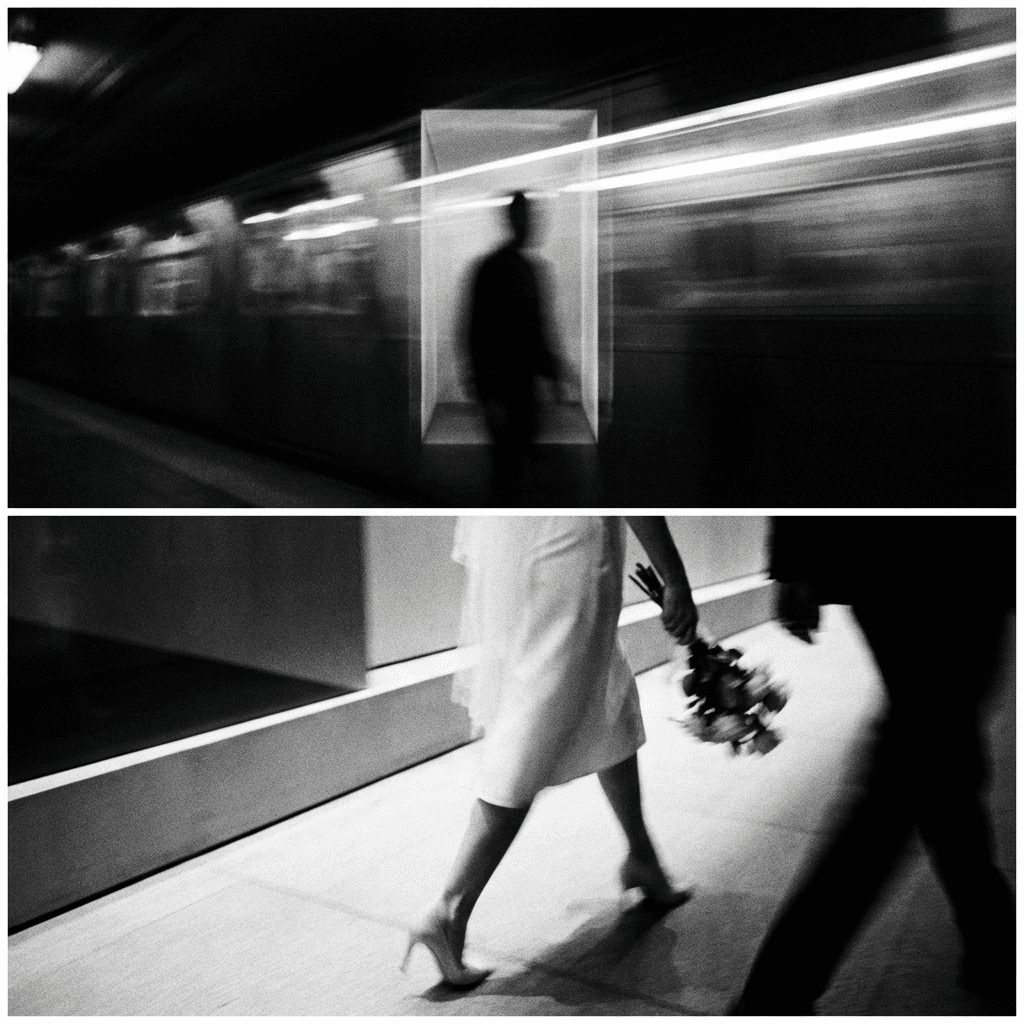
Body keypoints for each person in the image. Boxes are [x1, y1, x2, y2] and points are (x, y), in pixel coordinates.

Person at [732, 516, 1015, 1014]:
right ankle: (774, 999)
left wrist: (792, 559)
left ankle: (993, 940)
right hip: (951, 543)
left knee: (938, 750)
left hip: (891, 544)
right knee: (914, 765)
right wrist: (792, 560)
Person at [402, 516, 698, 987]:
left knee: (603, 687)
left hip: (534, 532)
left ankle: (643, 856)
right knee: (540, 713)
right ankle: (448, 909)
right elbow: (627, 480)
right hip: (575, 539)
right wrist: (675, 578)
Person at [464, 191, 563, 504]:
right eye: (526, 218)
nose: (532, 224)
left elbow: (536, 330)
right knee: (509, 469)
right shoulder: (512, 270)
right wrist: (486, 393)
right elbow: (478, 333)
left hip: (518, 389)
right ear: (512, 221)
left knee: (512, 467)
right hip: (506, 389)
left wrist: (552, 373)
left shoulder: (508, 269)